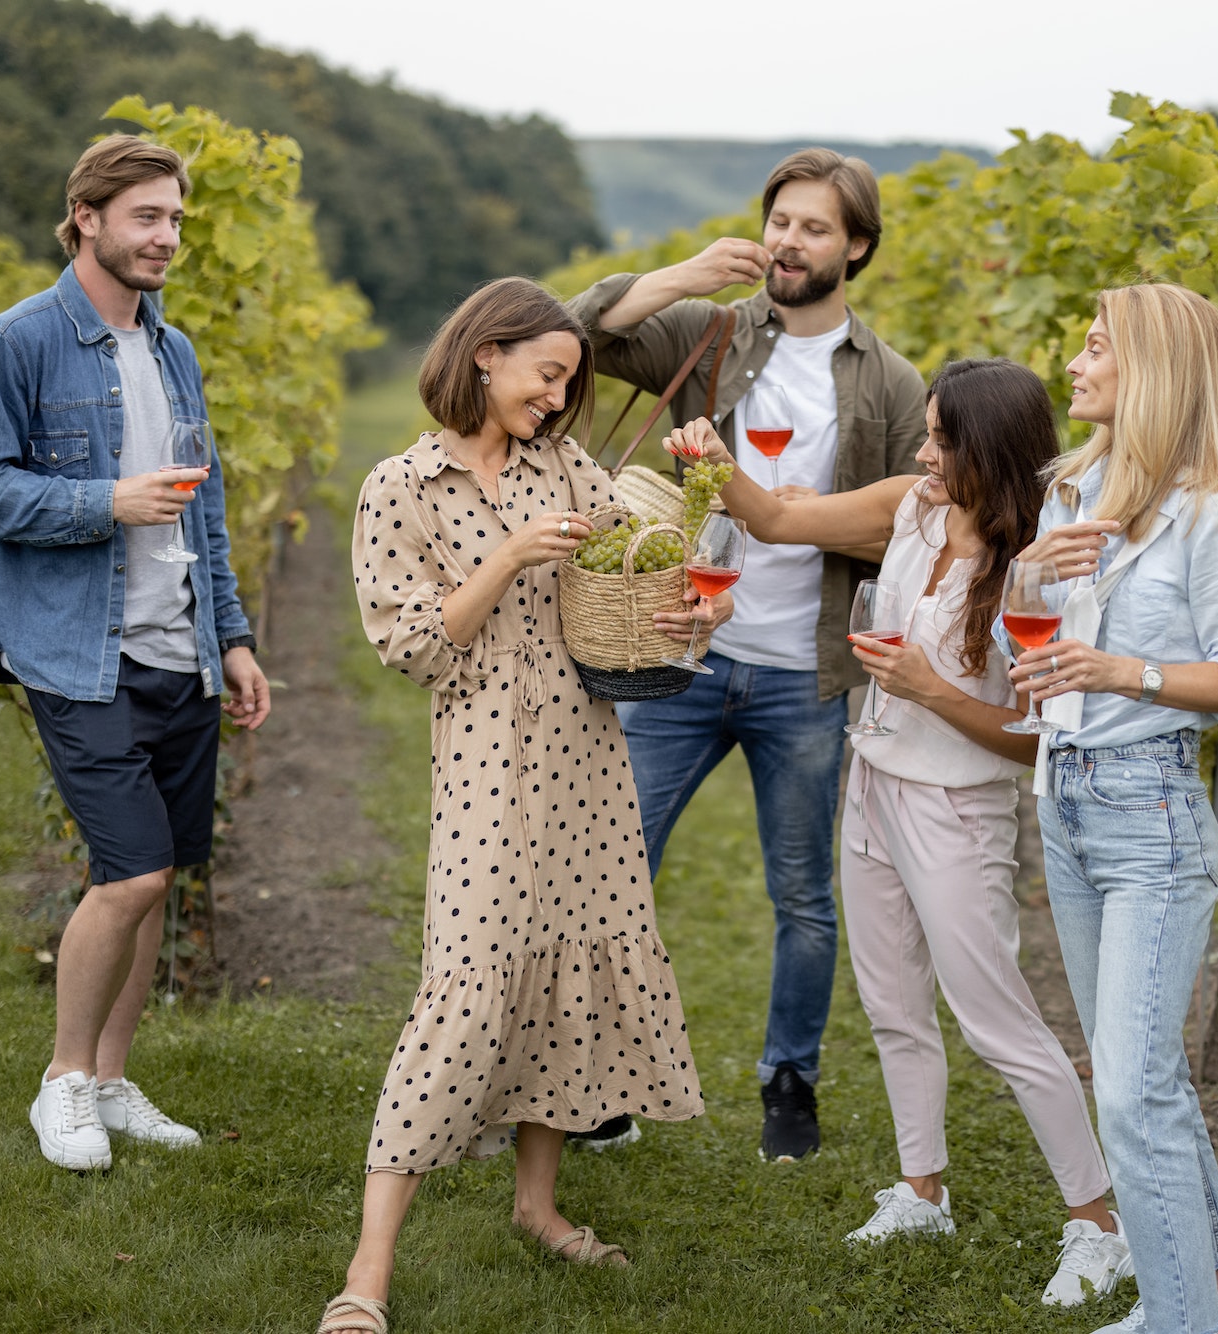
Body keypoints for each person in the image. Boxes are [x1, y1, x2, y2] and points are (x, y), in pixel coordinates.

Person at [660, 358, 1135, 1308]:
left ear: (988, 452)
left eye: (940, 442)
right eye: (923, 435)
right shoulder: (911, 508)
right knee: (890, 1005)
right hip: (873, 779)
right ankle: (923, 1189)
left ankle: (1102, 1222)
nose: (922, 455)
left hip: (958, 807)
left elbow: (1033, 739)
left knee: (996, 1018)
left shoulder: (1043, 558)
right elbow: (780, 519)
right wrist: (711, 461)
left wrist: (931, 689)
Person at [320, 278, 712, 1334]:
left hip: (587, 755)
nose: (556, 399)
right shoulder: (398, 486)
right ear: (485, 355)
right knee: (467, 984)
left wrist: (684, 540)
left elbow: (625, 557)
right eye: (547, 376)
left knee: (570, 966)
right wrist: (505, 556)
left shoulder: (559, 462)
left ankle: (537, 1205)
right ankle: (367, 1270)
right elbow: (409, 646)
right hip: (489, 765)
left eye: (568, 383)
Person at [567, 148, 928, 1161]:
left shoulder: (891, 383)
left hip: (800, 673)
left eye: (813, 228)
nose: (788, 242)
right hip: (676, 657)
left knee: (803, 894)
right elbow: (569, 334)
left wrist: (781, 516)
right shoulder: (712, 333)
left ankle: (789, 1080)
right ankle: (597, 1079)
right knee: (614, 866)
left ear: (854, 246)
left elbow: (906, 531)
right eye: (779, 222)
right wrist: (682, 275)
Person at [0, 135, 271, 1174]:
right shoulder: (18, 340)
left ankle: (114, 1081)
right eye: (145, 217)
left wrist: (234, 633)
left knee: (154, 876)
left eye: (174, 218)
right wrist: (102, 503)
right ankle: (63, 1083)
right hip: (78, 652)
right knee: (131, 873)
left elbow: (202, 507)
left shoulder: (172, 350)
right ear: (85, 216)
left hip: (180, 647)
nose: (166, 236)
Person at [1008, 283, 1218, 1334]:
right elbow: (1021, 653)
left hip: (1150, 817)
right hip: (1067, 806)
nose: (1072, 365)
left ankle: (1185, 1322)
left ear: (1153, 372)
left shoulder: (1210, 517)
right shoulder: (1070, 493)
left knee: (1128, 1092)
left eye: (1094, 348)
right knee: (1141, 1076)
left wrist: (1126, 670)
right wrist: (1029, 578)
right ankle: (1201, 1300)